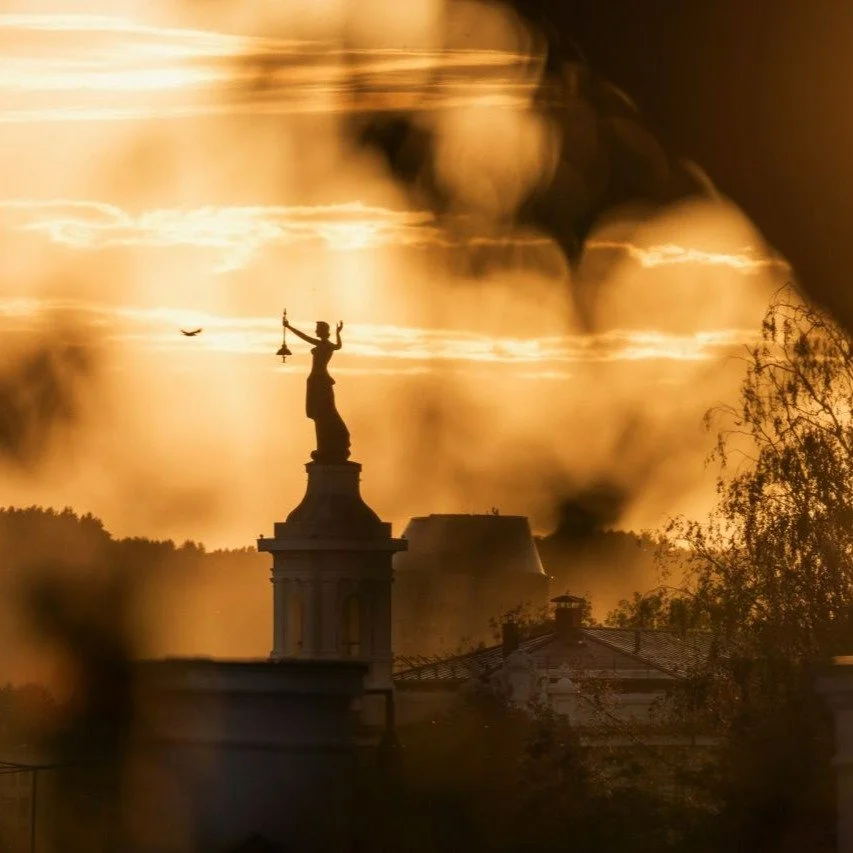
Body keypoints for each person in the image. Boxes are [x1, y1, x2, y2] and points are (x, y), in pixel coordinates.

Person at [283, 314, 351, 463]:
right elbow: (338, 346)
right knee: (321, 415)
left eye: (317, 329)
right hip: (318, 381)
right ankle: (325, 447)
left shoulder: (324, 346)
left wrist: (288, 327)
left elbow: (304, 337)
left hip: (318, 381)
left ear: (322, 331)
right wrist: (338, 333)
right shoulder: (328, 346)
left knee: (322, 415)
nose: (315, 332)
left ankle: (325, 447)